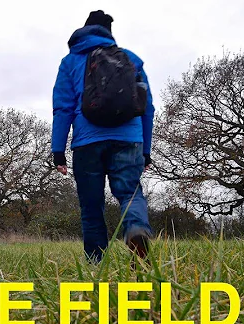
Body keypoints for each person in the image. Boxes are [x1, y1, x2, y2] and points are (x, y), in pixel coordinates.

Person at [52, 10, 155, 264]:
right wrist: (146, 150)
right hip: (129, 138)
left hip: (87, 142)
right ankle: (135, 230)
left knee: (91, 205)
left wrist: (58, 150)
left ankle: (96, 264)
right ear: (109, 33)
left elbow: (62, 107)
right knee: (130, 193)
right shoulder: (131, 59)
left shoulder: (70, 62)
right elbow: (147, 107)